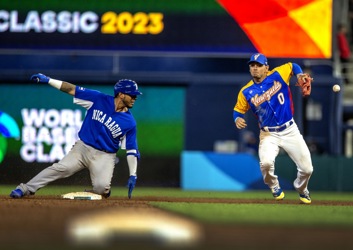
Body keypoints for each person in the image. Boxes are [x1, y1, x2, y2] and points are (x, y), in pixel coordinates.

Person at [10, 73, 142, 199]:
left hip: (105, 156)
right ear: (121, 94)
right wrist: (49, 80)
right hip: (82, 148)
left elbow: (132, 150)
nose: (135, 98)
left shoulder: (130, 123)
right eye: (132, 95)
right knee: (61, 168)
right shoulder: (98, 99)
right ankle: (25, 188)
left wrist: (133, 175)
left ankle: (104, 191)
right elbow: (71, 89)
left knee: (101, 189)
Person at [233, 53, 314, 204]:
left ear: (266, 67)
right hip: (268, 134)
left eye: (259, 65)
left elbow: (292, 66)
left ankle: (302, 188)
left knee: (307, 169)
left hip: (290, 130)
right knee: (266, 163)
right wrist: (237, 118)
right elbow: (238, 110)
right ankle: (274, 185)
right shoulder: (246, 91)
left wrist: (300, 74)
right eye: (252, 65)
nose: (255, 68)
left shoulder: (278, 74)